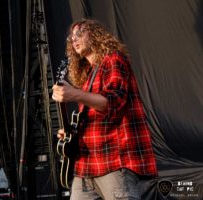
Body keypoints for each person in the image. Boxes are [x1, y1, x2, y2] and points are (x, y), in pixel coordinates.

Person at [52, 18, 158, 200]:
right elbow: (92, 118)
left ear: (94, 35)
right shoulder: (88, 75)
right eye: (71, 37)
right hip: (86, 164)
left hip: (114, 161)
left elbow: (113, 103)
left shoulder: (114, 59)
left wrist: (75, 94)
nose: (74, 39)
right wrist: (70, 133)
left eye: (80, 33)